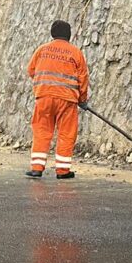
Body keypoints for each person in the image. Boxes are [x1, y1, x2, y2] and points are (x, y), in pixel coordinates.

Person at [26, 20, 89, 179]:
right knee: (66, 133)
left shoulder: (42, 50)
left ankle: (36, 169)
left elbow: (31, 70)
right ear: (69, 35)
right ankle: (62, 171)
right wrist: (82, 99)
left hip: (44, 97)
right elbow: (83, 78)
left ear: (52, 34)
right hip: (67, 100)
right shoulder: (76, 52)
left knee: (41, 131)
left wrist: (44, 85)